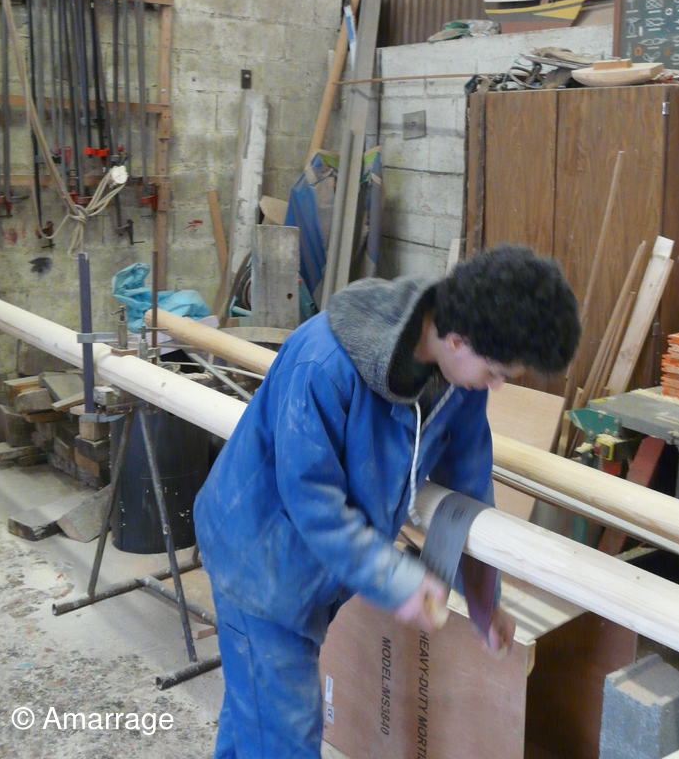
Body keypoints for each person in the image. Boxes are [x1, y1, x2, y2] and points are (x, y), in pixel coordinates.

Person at [194, 244, 580, 759]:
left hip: (313, 567)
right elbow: (312, 501)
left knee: (255, 718)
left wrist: (485, 601)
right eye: (495, 372)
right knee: (284, 735)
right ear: (458, 339)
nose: (496, 386)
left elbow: (468, 489)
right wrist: (396, 579)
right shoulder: (324, 362)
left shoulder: (459, 380)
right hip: (258, 559)